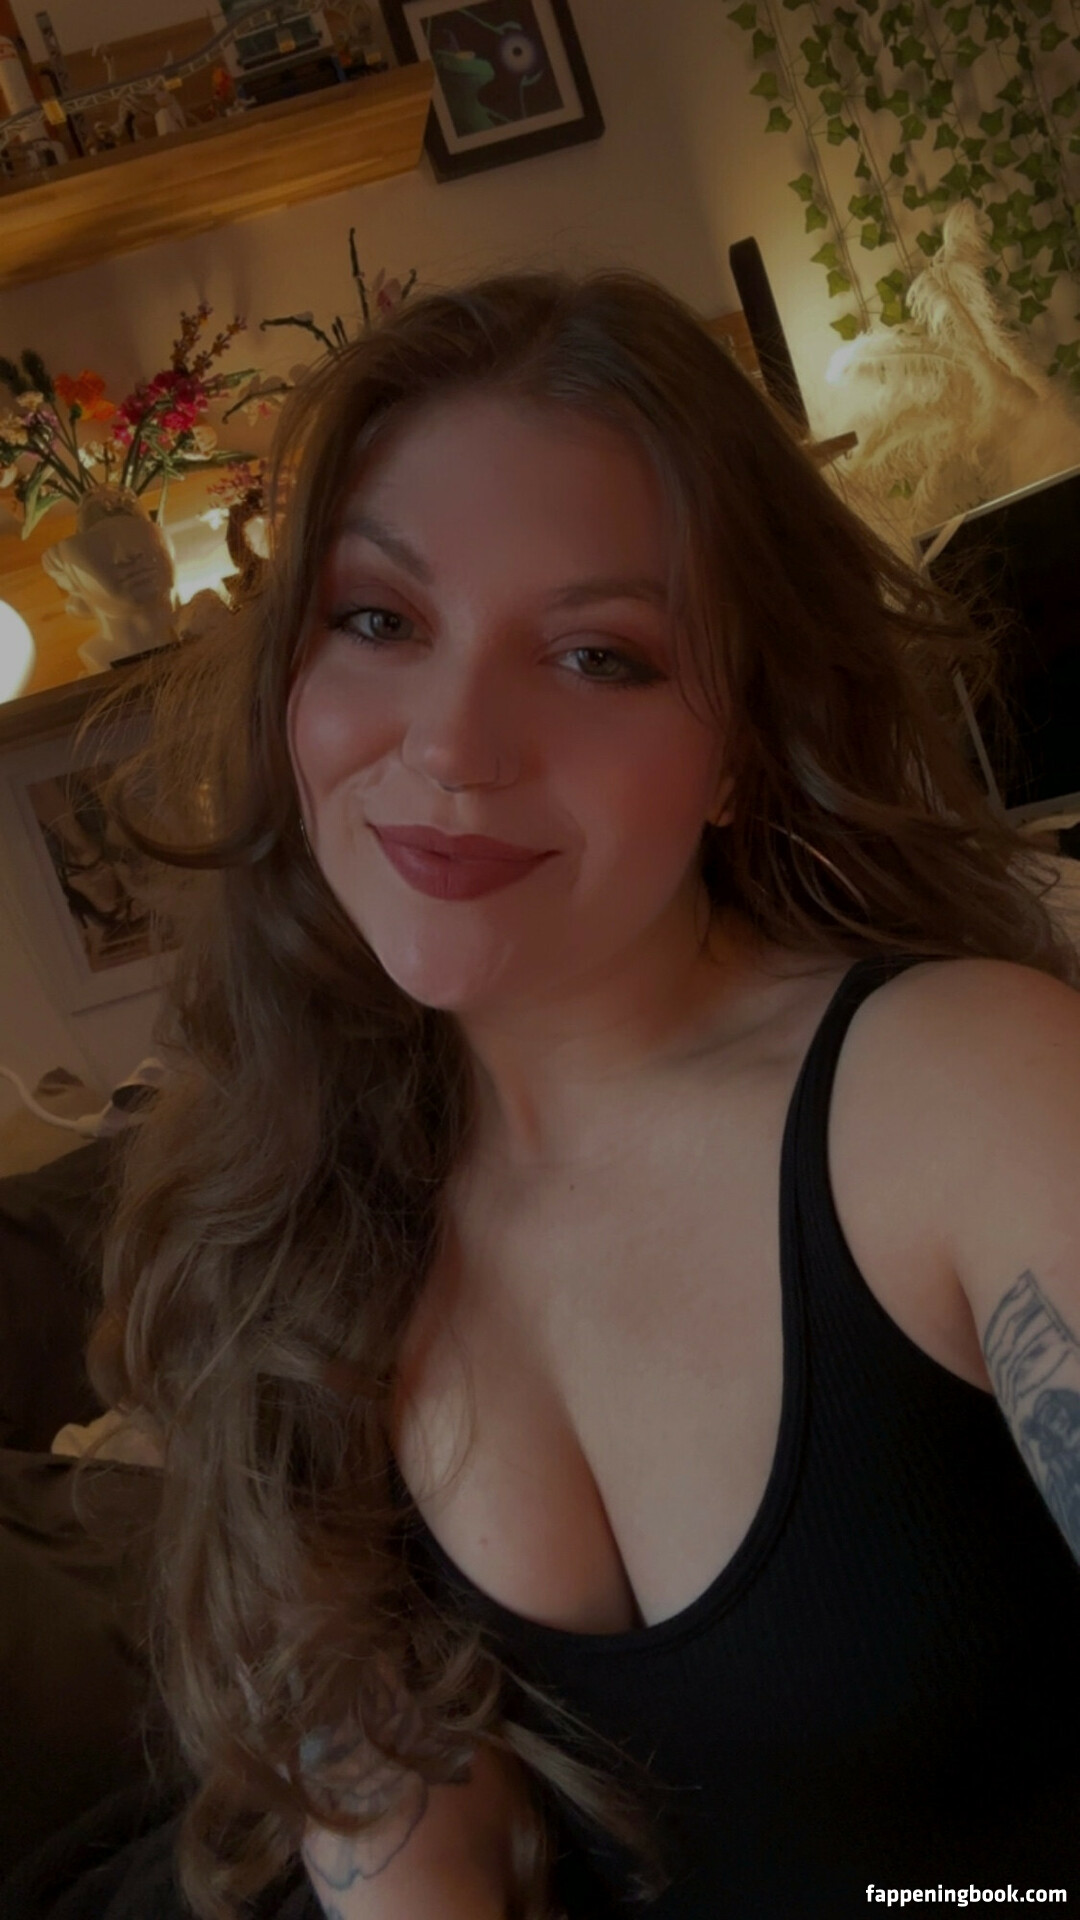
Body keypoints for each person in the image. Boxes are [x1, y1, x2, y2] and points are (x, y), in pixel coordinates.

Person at [61, 269, 1080, 1920]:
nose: (455, 746)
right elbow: (414, 1860)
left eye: (599, 655)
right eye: (380, 620)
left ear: (741, 742)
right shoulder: (300, 1217)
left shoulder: (967, 1092)